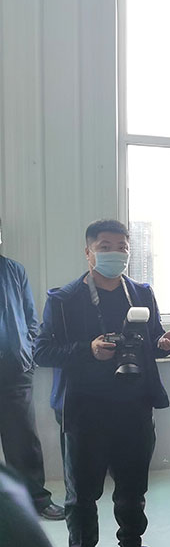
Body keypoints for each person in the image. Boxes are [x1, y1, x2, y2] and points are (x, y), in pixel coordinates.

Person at [34, 219, 170, 547]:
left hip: (134, 406)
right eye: (105, 247)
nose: (116, 254)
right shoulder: (64, 300)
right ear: (89, 252)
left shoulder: (141, 293)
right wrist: (88, 349)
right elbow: (42, 351)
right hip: (84, 411)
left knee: (133, 486)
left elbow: (152, 339)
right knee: (82, 495)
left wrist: (163, 343)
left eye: (122, 247)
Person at [0, 220, 65, 521]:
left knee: (24, 441)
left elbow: (30, 316)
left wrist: (25, 349)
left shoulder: (14, 270)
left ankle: (36, 501)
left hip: (14, 370)